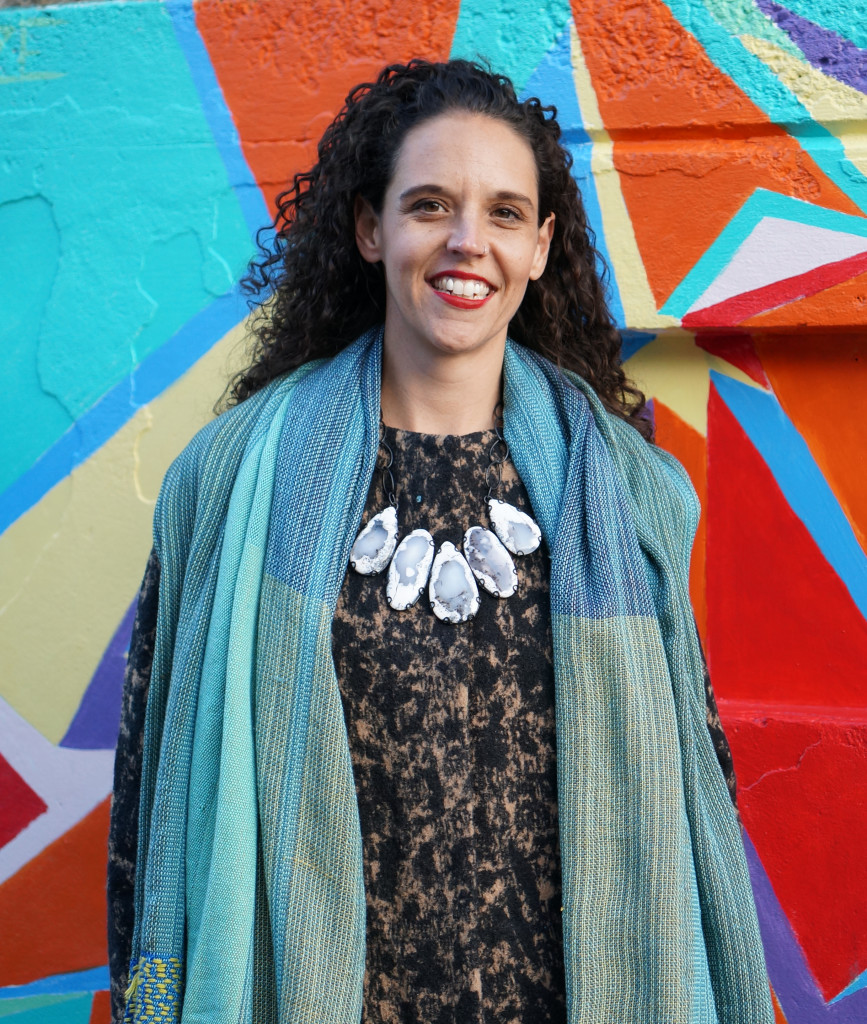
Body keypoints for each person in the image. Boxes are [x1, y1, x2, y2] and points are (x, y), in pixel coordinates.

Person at [108, 59, 772, 1024]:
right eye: (429, 204)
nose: (469, 242)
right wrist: (149, 996)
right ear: (371, 229)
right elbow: (151, 791)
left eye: (505, 213)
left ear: (541, 247)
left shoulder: (625, 493)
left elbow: (693, 788)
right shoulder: (228, 480)